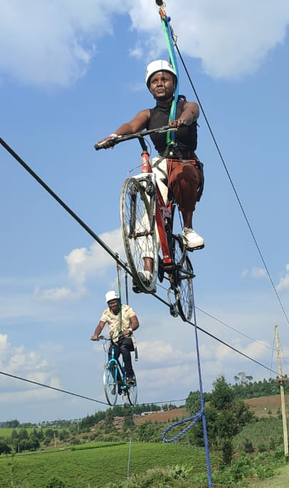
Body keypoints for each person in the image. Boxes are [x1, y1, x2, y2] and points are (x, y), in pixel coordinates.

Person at [97, 60, 204, 285]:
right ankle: (147, 268)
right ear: (149, 87)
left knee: (183, 175)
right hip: (161, 163)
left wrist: (182, 122)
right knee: (147, 207)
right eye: (154, 81)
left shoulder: (186, 106)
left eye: (164, 79)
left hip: (184, 162)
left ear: (174, 83)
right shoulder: (148, 114)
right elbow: (132, 125)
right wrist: (114, 136)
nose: (160, 84)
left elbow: (193, 112)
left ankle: (187, 228)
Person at [91, 291, 140, 386]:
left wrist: (129, 330)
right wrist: (96, 334)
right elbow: (101, 325)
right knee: (111, 361)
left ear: (118, 301)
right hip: (115, 340)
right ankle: (118, 382)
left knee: (124, 348)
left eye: (114, 302)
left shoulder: (127, 309)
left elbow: (135, 322)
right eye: (110, 303)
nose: (113, 305)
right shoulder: (106, 312)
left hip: (126, 338)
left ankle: (130, 376)